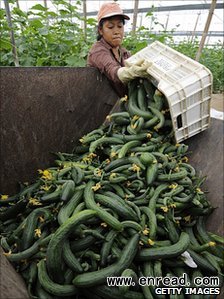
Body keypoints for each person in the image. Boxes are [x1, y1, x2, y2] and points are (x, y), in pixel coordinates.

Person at [87, 2, 151, 98]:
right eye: (110, 27)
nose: (117, 31)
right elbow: (111, 69)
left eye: (120, 26)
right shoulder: (97, 50)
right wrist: (128, 72)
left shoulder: (124, 52)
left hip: (122, 103)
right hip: (101, 104)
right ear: (100, 30)